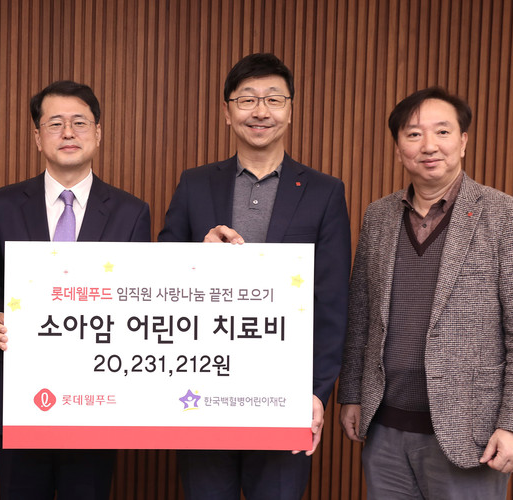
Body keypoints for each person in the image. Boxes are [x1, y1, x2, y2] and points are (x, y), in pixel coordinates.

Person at [336, 87, 513, 499]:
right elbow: (361, 314)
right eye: (414, 134)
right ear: (398, 147)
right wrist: (352, 394)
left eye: (442, 131)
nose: (429, 145)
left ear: (463, 141)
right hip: (383, 428)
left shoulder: (508, 217)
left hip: (470, 434)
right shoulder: (379, 216)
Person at [159, 53, 351, 500]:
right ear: (227, 112)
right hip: (202, 388)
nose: (260, 111)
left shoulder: (324, 192)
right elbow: (162, 274)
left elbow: (331, 302)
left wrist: (316, 392)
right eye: (247, 99)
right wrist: (197, 255)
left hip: (284, 392)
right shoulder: (194, 183)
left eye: (273, 99)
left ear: (290, 110)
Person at [0, 80, 151, 500]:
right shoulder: (2, 205)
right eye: (55, 124)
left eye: (79, 123)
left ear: (98, 133)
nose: (68, 133)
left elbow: (140, 298)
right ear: (37, 137)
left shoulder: (131, 212)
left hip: (97, 402)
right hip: (20, 397)